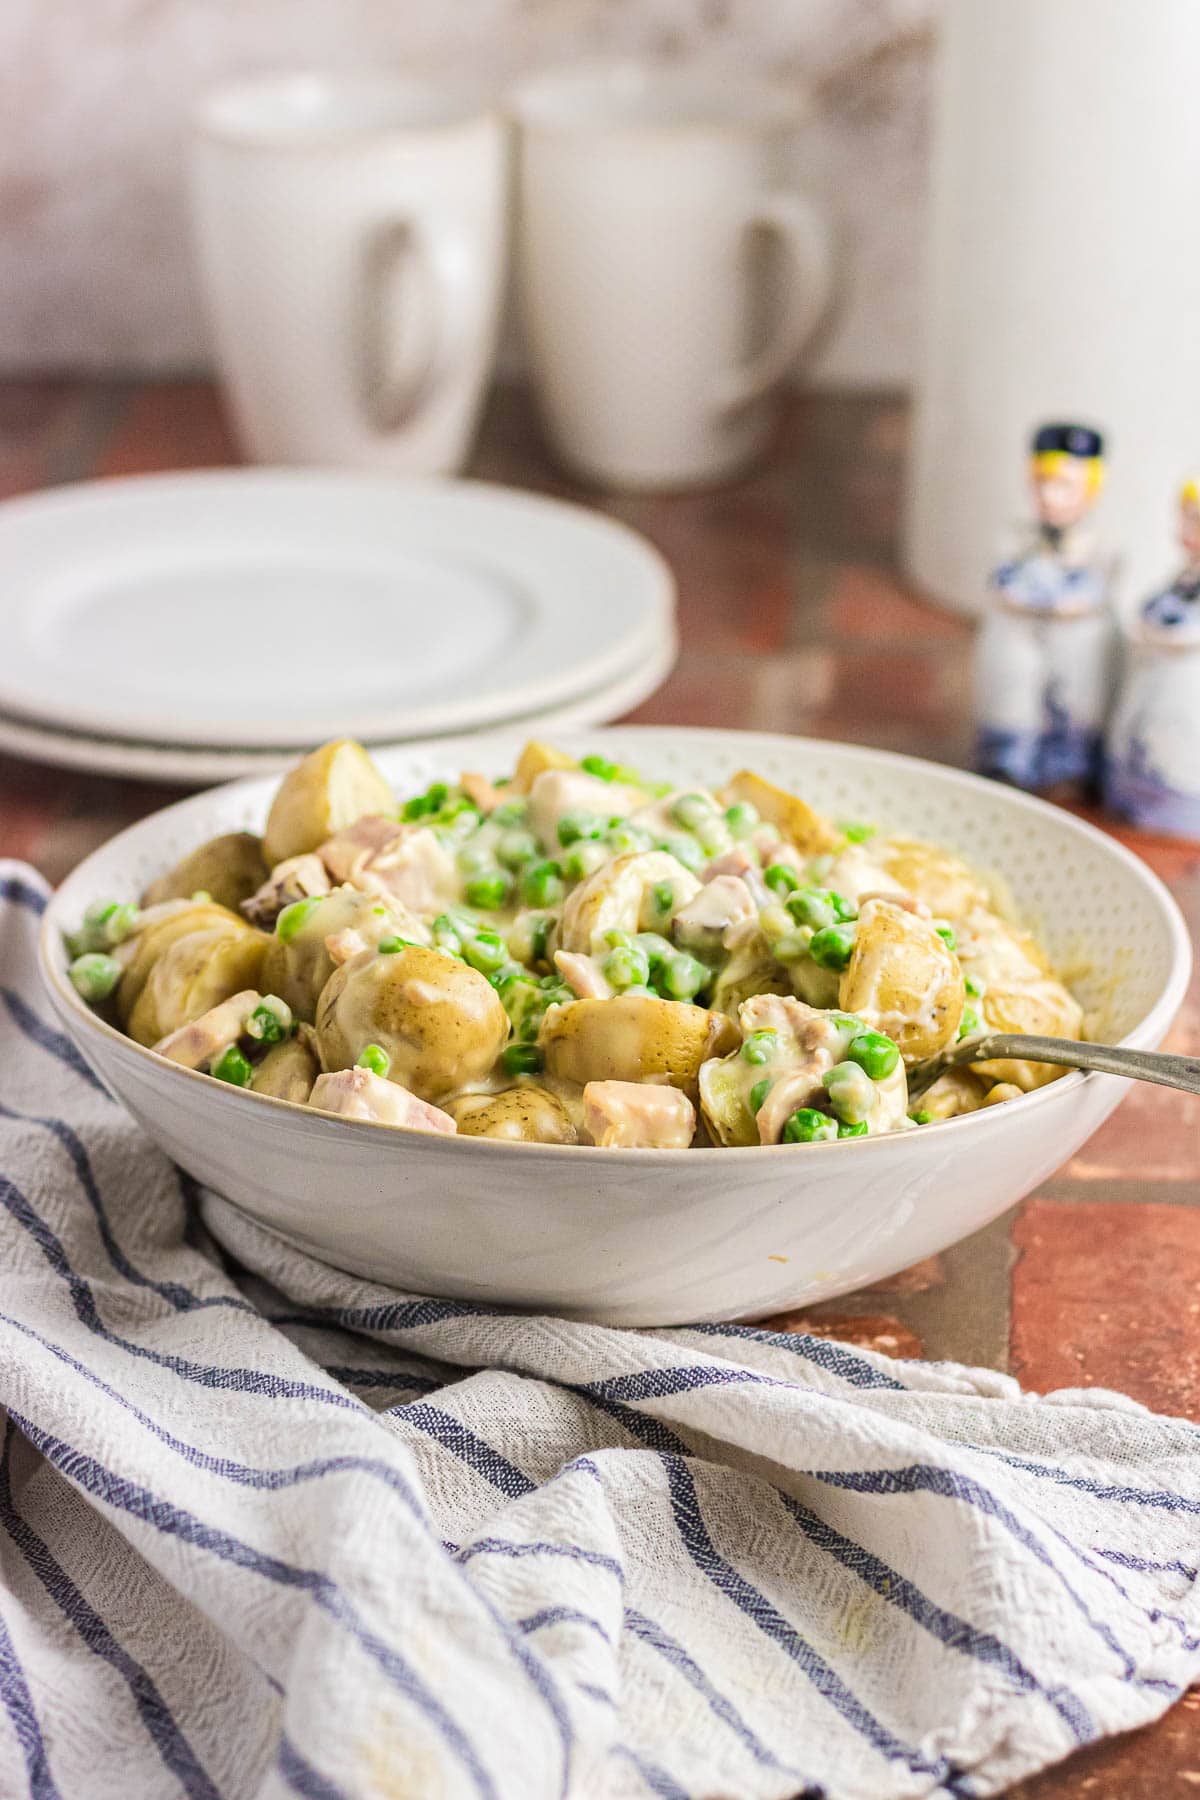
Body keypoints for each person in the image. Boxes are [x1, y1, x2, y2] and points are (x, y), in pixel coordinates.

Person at [974, 422, 1117, 793]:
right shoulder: (1014, 538)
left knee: (1076, 700)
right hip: (1022, 648)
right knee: (1014, 694)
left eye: (1065, 486)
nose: (1051, 497)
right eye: (1042, 484)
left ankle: (1070, 770)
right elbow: (1004, 586)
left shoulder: (1102, 546)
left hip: (1074, 655)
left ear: (1090, 490)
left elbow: (1097, 594)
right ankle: (1009, 764)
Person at [1105, 479, 1200, 837]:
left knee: (1177, 748)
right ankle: (1138, 801)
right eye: (1187, 518)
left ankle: (1177, 812)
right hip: (1156, 677)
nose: (1190, 530)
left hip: (1188, 688)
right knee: (1145, 738)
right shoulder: (1183, 576)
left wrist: (1159, 631)